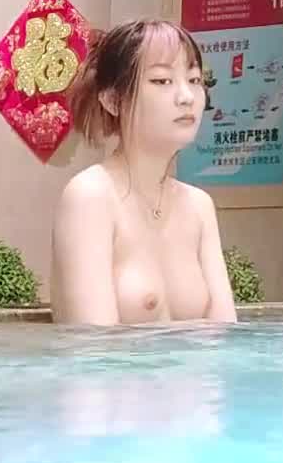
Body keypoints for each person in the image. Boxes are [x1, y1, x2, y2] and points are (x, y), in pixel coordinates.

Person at [51, 18, 239, 326]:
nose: (187, 97)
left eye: (194, 80)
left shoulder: (199, 205)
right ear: (113, 100)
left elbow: (225, 334)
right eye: (162, 81)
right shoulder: (90, 196)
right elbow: (91, 347)